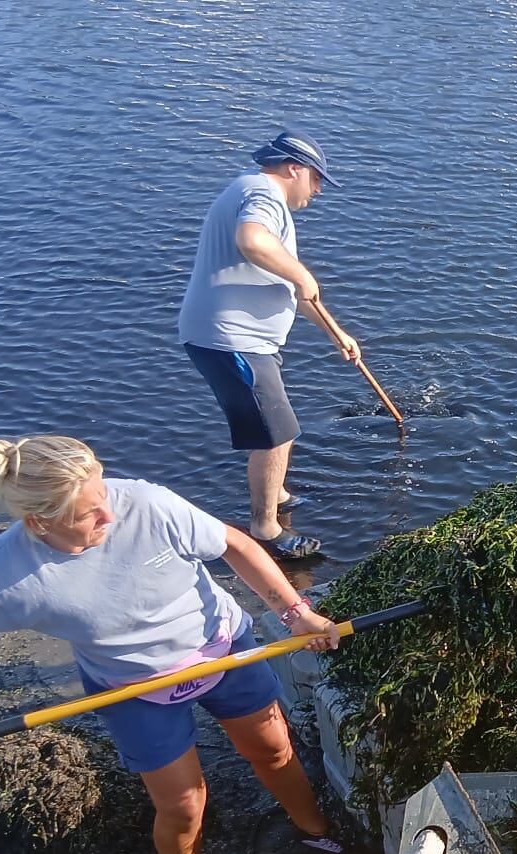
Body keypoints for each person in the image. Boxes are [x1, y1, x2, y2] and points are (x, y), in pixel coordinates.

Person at [0, 435, 349, 854]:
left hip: (222, 650)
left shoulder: (145, 502)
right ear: (39, 522)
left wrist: (296, 613)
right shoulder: (6, 577)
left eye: (104, 494)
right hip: (134, 688)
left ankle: (316, 833)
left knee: (274, 749)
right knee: (184, 805)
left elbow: (235, 543)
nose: (110, 515)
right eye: (88, 514)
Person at [177, 129, 359, 560]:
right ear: (294, 169)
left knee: (278, 426)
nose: (317, 191)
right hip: (232, 339)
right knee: (276, 434)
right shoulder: (264, 193)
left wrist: (338, 335)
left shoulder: (252, 193)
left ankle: (275, 494)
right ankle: (266, 530)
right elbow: (252, 242)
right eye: (316, 179)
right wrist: (300, 272)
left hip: (237, 339)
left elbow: (294, 290)